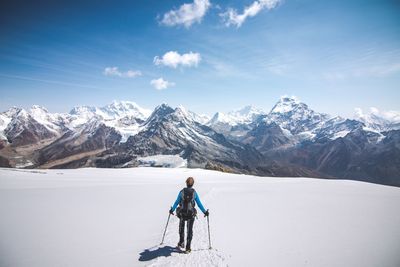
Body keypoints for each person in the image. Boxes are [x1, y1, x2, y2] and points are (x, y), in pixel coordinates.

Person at [169, 177, 209, 253]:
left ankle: (181, 243)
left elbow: (177, 202)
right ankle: (188, 248)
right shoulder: (194, 193)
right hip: (191, 214)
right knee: (189, 230)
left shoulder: (181, 192)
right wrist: (205, 212)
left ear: (186, 183)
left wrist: (172, 210)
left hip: (182, 213)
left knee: (181, 228)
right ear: (193, 184)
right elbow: (199, 204)